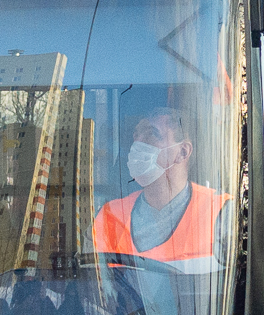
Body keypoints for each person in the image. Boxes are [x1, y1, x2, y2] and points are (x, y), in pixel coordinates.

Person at [91, 107, 232, 274]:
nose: (137, 143)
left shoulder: (220, 212)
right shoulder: (109, 216)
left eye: (151, 134)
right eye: (136, 135)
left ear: (183, 152)